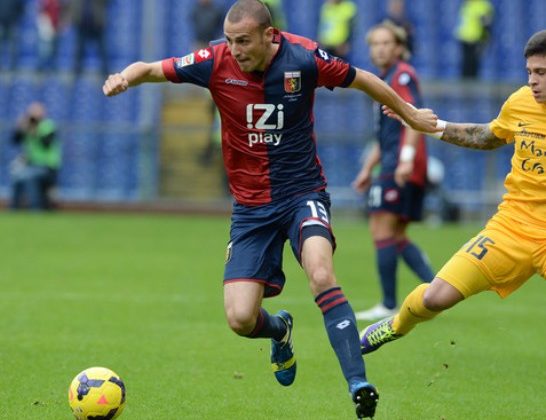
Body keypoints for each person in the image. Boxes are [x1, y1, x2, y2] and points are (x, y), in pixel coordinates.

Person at [102, 1, 437, 417]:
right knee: (241, 318)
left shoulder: (305, 57)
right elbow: (151, 68)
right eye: (230, 40)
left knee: (321, 273)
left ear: (269, 35)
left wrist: (409, 115)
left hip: (302, 194)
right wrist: (124, 78)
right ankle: (280, 330)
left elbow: (363, 78)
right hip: (250, 207)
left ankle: (358, 382)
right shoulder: (213, 61)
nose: (235, 49)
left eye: (243, 41)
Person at [360, 30, 546, 363]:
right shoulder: (520, 102)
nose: (533, 81)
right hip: (511, 228)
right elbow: (486, 136)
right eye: (530, 72)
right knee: (435, 297)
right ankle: (396, 325)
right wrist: (429, 126)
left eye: (541, 73)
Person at [353, 22, 434, 321]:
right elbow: (384, 134)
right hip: (393, 161)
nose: (380, 49)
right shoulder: (385, 79)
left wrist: (406, 159)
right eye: (375, 44)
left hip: (400, 164)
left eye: (386, 43)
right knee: (396, 234)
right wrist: (367, 168)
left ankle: (388, 304)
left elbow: (414, 117)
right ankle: (439, 290)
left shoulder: (402, 75)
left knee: (381, 229)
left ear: (399, 47)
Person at [10, 102, 61, 210]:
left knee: (29, 176)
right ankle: (14, 208)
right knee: (17, 175)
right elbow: (14, 140)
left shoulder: (48, 125)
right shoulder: (27, 126)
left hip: (48, 167)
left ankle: (36, 208)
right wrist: (20, 127)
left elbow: (46, 144)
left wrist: (35, 131)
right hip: (32, 165)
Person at [455, 0, 494, 79]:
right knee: (465, 66)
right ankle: (465, 85)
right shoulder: (467, 4)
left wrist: (483, 41)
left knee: (472, 66)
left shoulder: (482, 5)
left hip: (475, 40)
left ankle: (471, 85)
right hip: (464, 39)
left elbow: (486, 25)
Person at [71, 0, 109, 76]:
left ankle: (105, 72)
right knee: (79, 50)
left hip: (97, 23)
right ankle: (76, 73)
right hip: (82, 23)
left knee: (102, 50)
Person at [0, 0, 25, 71]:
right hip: (1, 23)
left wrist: (16, 19)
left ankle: (13, 66)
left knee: (13, 46)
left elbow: (21, 9)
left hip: (13, 24)